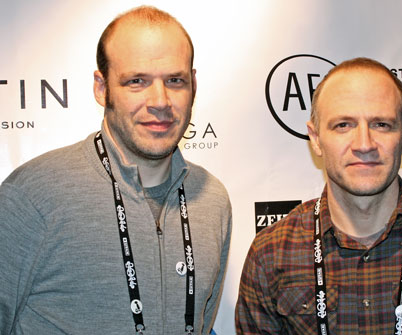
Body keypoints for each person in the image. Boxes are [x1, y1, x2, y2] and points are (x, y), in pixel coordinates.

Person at [0, 6, 232, 335]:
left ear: (193, 84)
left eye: (175, 80)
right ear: (101, 87)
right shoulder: (32, 198)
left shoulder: (213, 200)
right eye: (137, 81)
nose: (161, 101)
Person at [235, 57, 402, 334]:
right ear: (315, 138)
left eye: (381, 124)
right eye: (343, 125)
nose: (364, 145)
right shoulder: (270, 254)